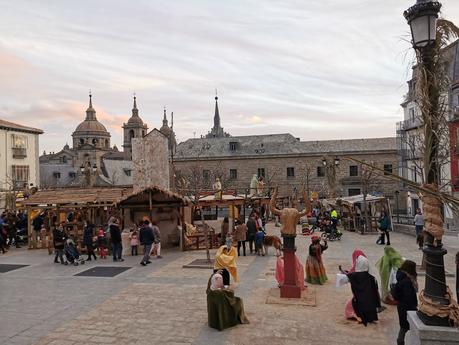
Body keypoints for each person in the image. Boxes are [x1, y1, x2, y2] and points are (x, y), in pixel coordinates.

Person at [346, 256, 381, 326]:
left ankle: (361, 317)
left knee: (354, 303)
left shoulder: (354, 276)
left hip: (360, 301)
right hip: (370, 301)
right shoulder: (371, 276)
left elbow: (345, 278)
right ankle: (371, 318)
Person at [391, 260, 418, 345]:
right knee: (405, 327)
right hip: (407, 306)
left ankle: (400, 341)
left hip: (402, 306)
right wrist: (413, 307)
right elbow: (408, 296)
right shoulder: (407, 281)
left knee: (404, 326)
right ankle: (400, 342)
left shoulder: (402, 277)